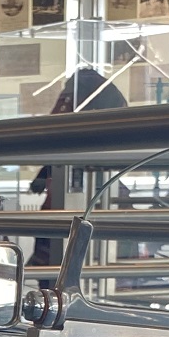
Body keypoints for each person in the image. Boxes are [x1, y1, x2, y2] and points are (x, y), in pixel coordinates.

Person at [29, 68, 127, 269]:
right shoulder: (98, 98)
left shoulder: (85, 101)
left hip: (85, 197)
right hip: (71, 199)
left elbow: (56, 137)